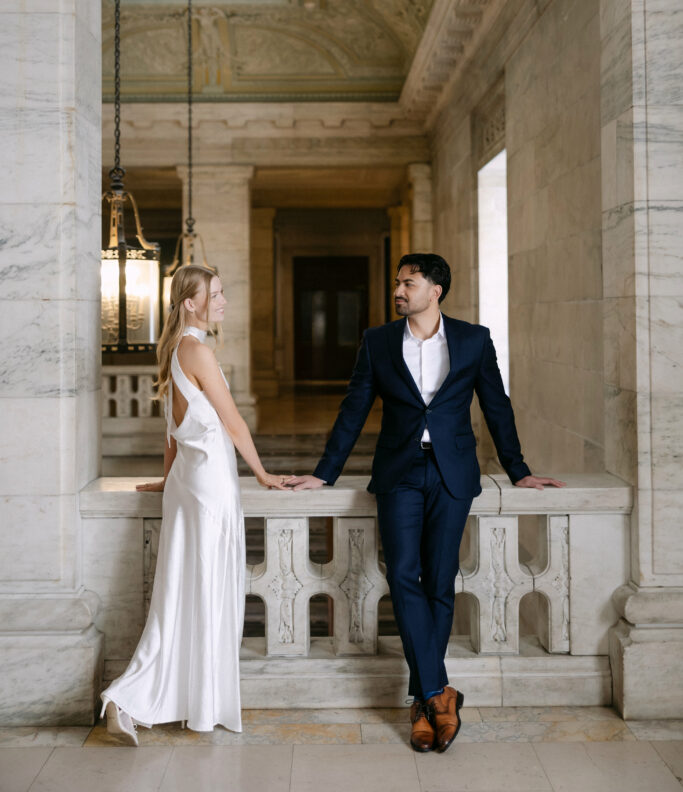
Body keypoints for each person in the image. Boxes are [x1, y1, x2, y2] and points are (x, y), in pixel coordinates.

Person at [287, 253, 564, 754]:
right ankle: (440, 693)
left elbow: (496, 406)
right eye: (397, 282)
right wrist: (324, 473)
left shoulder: (473, 340)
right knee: (402, 575)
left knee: (439, 581)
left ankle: (421, 702)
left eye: (408, 283)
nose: (398, 290)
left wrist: (518, 470)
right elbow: (354, 408)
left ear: (435, 290)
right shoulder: (378, 341)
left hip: (452, 471)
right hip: (399, 472)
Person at [100, 264, 293, 744]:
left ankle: (161, 699)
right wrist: (264, 474)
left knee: (183, 592)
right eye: (217, 294)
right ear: (191, 302)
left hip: (187, 485)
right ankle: (135, 698)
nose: (224, 301)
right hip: (209, 488)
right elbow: (234, 423)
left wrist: (165, 480)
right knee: (205, 591)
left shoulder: (173, 349)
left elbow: (171, 431)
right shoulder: (199, 350)